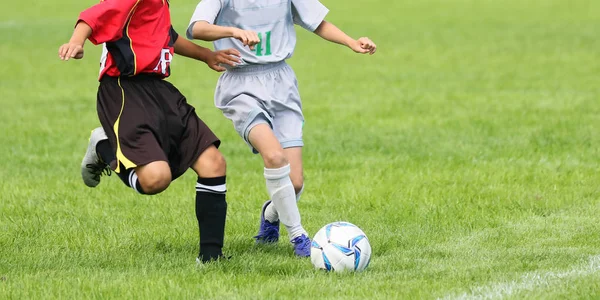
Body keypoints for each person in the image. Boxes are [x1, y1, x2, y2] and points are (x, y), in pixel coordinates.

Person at [186, 0, 377, 257]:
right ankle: (299, 236)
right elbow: (197, 27)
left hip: (282, 83)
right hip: (241, 85)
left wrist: (351, 42)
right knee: (274, 156)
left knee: (295, 182)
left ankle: (270, 214)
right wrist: (233, 31)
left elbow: (316, 22)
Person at [58, 0, 242, 263]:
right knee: (156, 179)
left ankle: (211, 258)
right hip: (125, 91)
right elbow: (92, 16)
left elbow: (166, 36)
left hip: (160, 91)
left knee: (213, 163)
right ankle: (104, 147)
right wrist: (77, 41)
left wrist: (206, 55)